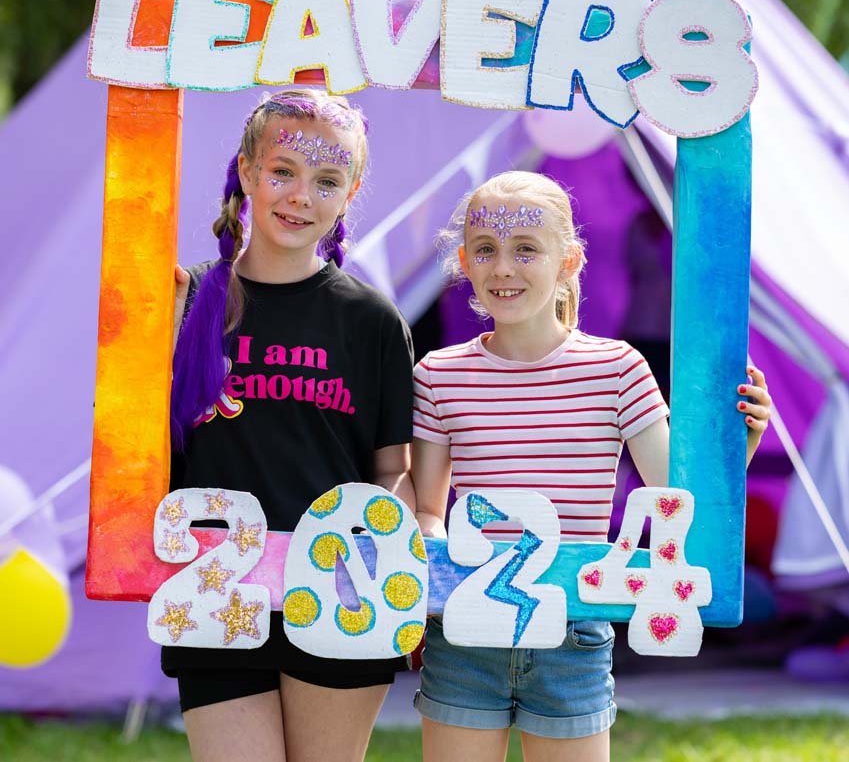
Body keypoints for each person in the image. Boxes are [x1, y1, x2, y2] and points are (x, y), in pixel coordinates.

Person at [410, 170, 772, 762]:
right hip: (466, 634)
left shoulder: (617, 369)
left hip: (574, 629)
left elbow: (675, 497)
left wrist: (742, 446)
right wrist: (436, 589)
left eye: (526, 249)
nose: (503, 267)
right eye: (486, 249)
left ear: (569, 260)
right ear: (464, 262)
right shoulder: (438, 375)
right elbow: (428, 509)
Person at [163, 88, 415, 762]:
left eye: (326, 179)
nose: (301, 195)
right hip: (216, 591)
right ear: (246, 170)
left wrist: (384, 575)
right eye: (282, 172)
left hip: (337, 595)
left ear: (350, 190)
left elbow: (393, 474)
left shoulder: (372, 322)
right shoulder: (185, 302)